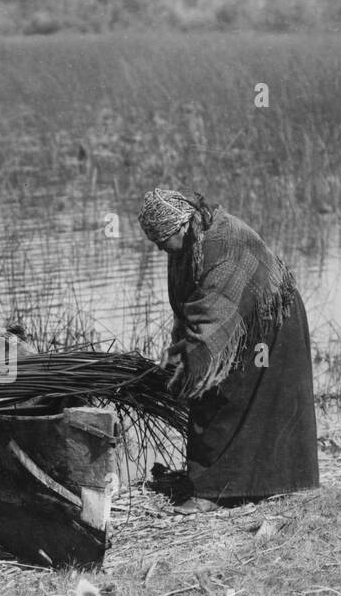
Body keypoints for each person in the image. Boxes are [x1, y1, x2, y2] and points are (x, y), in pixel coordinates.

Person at [137, 186, 319, 513]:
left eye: (163, 242)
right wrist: (176, 352)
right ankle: (231, 484)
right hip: (240, 317)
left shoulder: (223, 245)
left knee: (232, 398)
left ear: (180, 226)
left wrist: (185, 363)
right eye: (156, 244)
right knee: (220, 396)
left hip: (272, 318)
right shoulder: (186, 246)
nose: (161, 250)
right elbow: (190, 309)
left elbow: (211, 326)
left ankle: (213, 491)